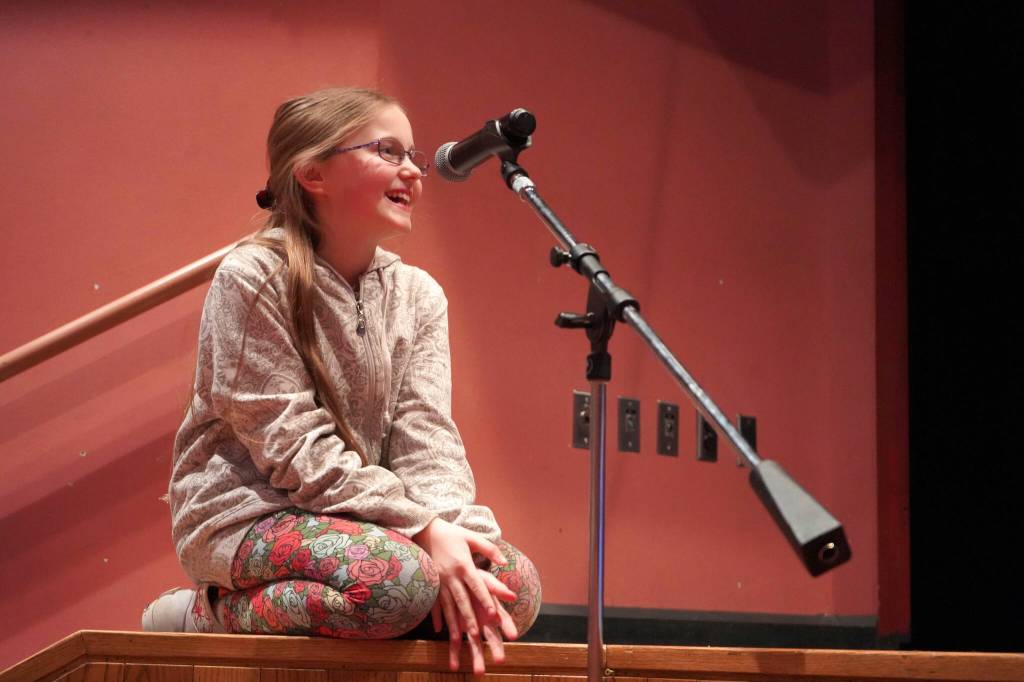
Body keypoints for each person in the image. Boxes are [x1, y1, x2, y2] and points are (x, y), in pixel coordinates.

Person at [142, 87, 541, 675]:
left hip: (370, 521)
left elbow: (427, 437)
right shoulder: (252, 275)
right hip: (247, 512)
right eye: (387, 150)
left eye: (414, 153)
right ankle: (203, 613)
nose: (413, 169)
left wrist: (453, 533)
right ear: (313, 173)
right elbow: (292, 447)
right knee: (397, 585)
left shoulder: (420, 295)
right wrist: (421, 530)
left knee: (510, 585)